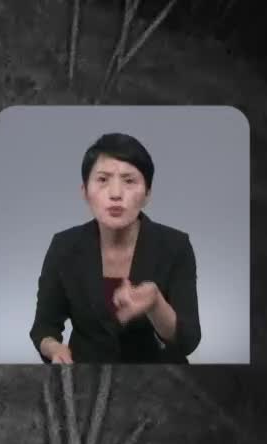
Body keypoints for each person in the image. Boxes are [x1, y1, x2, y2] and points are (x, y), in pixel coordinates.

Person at [30, 132, 201, 363]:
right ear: (85, 192)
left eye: (129, 181)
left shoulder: (175, 246)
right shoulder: (64, 246)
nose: (116, 194)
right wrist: (53, 348)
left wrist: (155, 304)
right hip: (87, 380)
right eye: (103, 179)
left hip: (159, 382)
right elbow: (44, 326)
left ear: (147, 194)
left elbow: (188, 341)